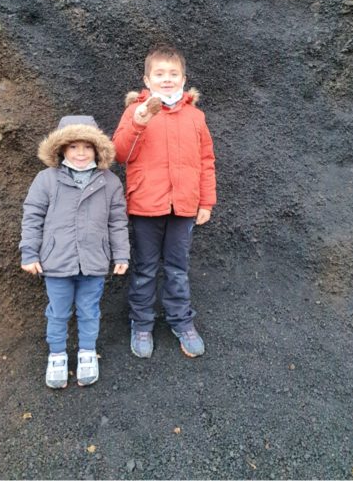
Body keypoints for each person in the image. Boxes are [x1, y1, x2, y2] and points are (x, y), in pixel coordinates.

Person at [112, 46, 216, 359]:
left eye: (173, 74)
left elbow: (206, 160)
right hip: (146, 205)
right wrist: (139, 122)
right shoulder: (135, 111)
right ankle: (142, 323)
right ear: (147, 79)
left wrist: (206, 202)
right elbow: (120, 154)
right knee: (145, 269)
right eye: (160, 74)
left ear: (183, 78)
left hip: (184, 206)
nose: (167, 80)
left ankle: (181, 322)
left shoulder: (196, 117)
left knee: (177, 269)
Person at [20, 115, 130, 388]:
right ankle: (57, 355)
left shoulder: (110, 182)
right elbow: (32, 216)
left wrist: (121, 254)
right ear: (61, 150)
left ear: (97, 149)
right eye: (73, 147)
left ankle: (87, 353)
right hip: (57, 262)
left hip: (93, 262)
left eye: (87, 147)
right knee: (57, 312)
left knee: (89, 310)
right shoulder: (46, 179)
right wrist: (29, 254)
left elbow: (117, 221)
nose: (80, 153)